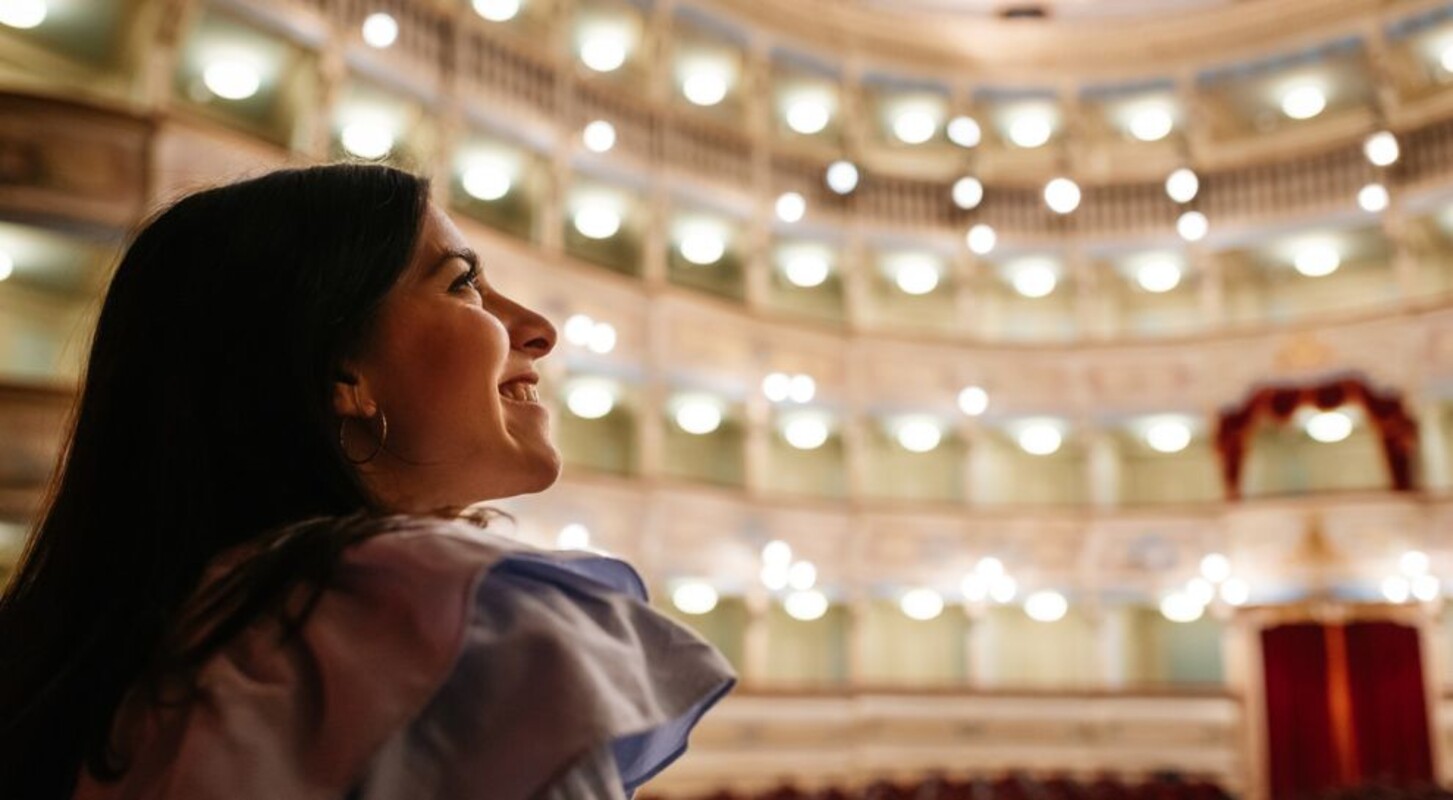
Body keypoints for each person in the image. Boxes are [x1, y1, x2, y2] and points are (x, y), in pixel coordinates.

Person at [0, 163, 736, 799]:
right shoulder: (453, 626)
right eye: (463, 285)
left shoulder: (143, 652)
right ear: (342, 372)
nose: (538, 328)